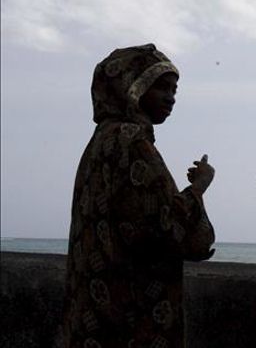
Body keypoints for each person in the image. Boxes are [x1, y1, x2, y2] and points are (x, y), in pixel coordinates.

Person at [63, 44, 216, 348]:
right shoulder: (132, 142)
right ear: (132, 86)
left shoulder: (99, 143)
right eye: (161, 87)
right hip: (133, 318)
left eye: (174, 90)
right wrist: (199, 187)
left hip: (96, 316)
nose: (171, 98)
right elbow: (169, 227)